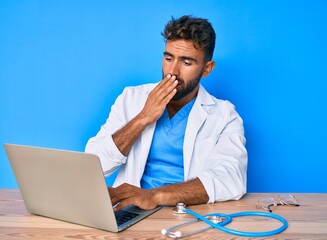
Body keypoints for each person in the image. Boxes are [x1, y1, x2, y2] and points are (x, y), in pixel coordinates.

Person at [85, 15, 247, 211]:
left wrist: (154, 196)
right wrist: (142, 118)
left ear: (207, 69)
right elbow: (93, 165)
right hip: (130, 211)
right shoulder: (131, 98)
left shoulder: (224, 115)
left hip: (187, 213)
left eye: (186, 63)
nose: (173, 71)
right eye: (168, 58)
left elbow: (230, 178)